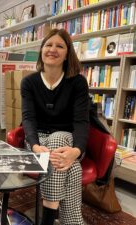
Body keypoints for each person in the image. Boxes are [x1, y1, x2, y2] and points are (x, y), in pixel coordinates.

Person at [21, 29, 89, 225]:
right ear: (42, 50)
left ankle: (48, 220)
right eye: (48, 45)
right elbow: (28, 119)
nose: (52, 49)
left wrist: (76, 151)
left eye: (59, 46)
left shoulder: (77, 82)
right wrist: (34, 145)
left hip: (65, 139)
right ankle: (73, 221)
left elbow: (81, 121)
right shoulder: (29, 82)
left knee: (59, 139)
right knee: (73, 169)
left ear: (68, 53)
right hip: (37, 141)